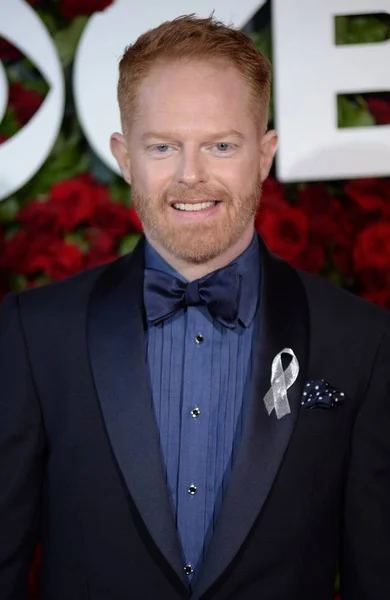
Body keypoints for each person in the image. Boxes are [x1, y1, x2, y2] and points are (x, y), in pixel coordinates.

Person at [0, 14, 389, 600]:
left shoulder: (361, 340)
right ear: (124, 157)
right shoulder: (33, 335)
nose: (191, 175)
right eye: (163, 146)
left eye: (221, 145)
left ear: (264, 154)